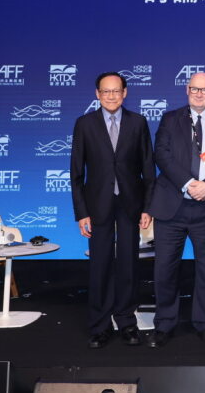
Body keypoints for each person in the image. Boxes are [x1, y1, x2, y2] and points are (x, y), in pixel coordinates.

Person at [148, 71, 205, 347]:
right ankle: (164, 324)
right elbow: (161, 154)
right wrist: (188, 183)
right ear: (187, 90)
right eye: (195, 89)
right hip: (171, 206)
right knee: (164, 268)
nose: (199, 94)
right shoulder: (170, 119)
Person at [70, 72, 155, 349]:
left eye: (116, 91)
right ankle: (100, 325)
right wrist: (81, 212)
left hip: (131, 204)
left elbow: (148, 168)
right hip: (97, 205)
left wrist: (148, 207)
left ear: (125, 93)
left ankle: (127, 322)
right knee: (100, 265)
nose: (111, 96)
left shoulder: (138, 122)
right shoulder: (85, 124)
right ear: (97, 94)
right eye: (106, 91)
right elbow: (76, 173)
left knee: (129, 265)